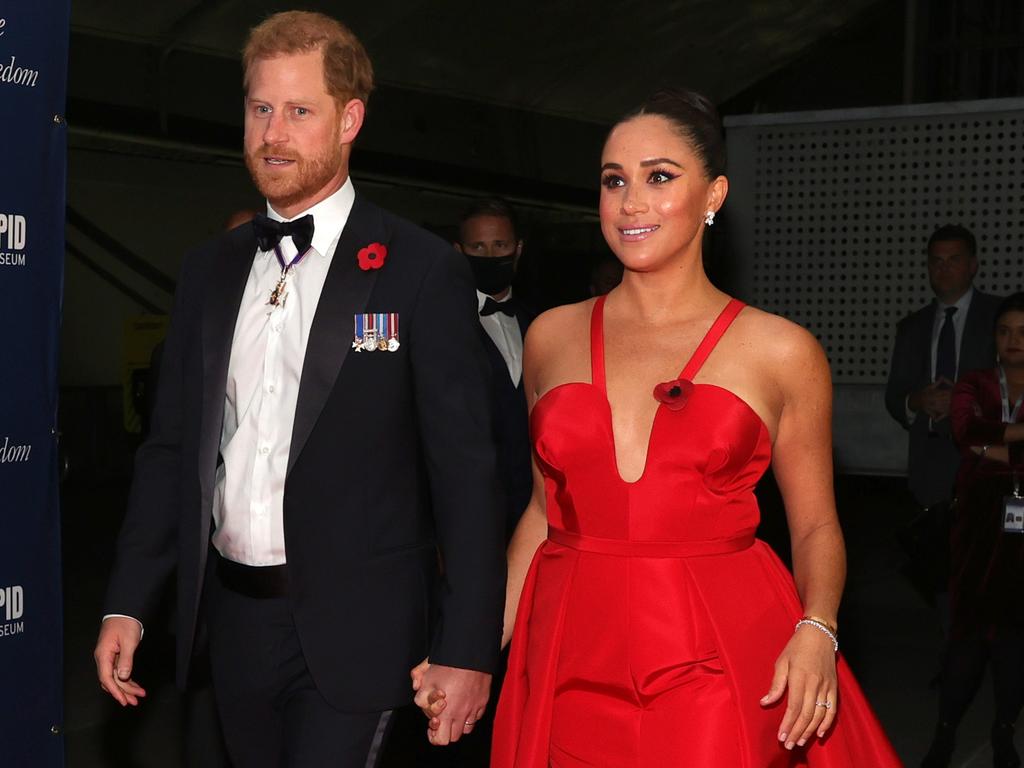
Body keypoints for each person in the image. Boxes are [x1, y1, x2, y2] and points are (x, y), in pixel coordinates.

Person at [415, 88, 900, 765]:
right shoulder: (551, 336)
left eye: (659, 177)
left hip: (713, 653)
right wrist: (471, 648)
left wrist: (818, 626)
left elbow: (816, 523)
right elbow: (540, 511)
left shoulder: (781, 350)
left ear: (714, 194)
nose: (630, 202)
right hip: (567, 651)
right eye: (615, 181)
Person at [93, 11, 505, 767]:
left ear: (350, 119)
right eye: (259, 109)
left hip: (364, 637)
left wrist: (469, 647)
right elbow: (172, 449)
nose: (273, 133)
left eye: (299, 111)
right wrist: (128, 600)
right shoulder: (207, 272)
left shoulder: (418, 271)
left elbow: (467, 477)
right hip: (231, 628)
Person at [920, 292, 1024, 768]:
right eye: (1004, 332)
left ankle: (1004, 731)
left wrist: (990, 448)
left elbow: (981, 442)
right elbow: (965, 432)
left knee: (1014, 638)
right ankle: (945, 733)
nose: (1013, 341)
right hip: (978, 528)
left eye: (1022, 332)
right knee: (966, 635)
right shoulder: (975, 382)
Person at [885, 225, 1001, 603]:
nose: (944, 269)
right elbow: (894, 396)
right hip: (931, 467)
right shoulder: (912, 326)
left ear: (973, 266)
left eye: (953, 261)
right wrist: (918, 402)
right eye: (936, 261)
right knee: (941, 581)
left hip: (986, 465)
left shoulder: (1001, 319)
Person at [455, 198, 536, 541]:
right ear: (459, 253)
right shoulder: (441, 325)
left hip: (535, 513)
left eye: (500, 245)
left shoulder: (541, 324)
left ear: (518, 250)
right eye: (479, 246)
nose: (490, 256)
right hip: (467, 517)